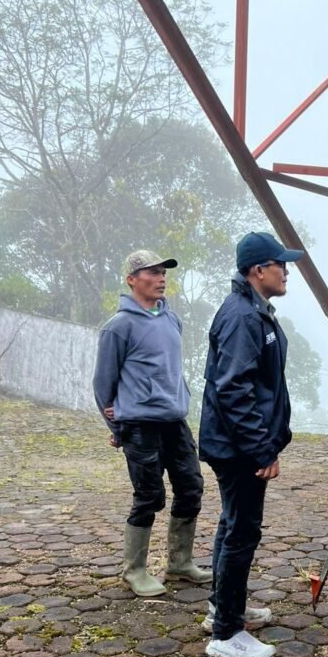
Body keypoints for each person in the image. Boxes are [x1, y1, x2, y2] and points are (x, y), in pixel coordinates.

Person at [198, 232, 303, 657]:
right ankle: (227, 633)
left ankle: (223, 608)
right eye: (280, 264)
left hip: (235, 442)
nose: (286, 270)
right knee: (242, 532)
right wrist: (262, 449)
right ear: (258, 270)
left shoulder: (254, 311)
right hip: (239, 446)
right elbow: (234, 389)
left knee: (232, 524)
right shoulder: (243, 316)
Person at [93, 250, 209, 597]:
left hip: (175, 420)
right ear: (132, 279)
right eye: (153, 273)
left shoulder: (171, 319)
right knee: (149, 496)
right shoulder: (118, 326)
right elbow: (103, 384)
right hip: (140, 425)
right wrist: (117, 428)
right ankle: (135, 570)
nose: (161, 279)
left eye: (163, 273)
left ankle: (179, 563)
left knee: (191, 488)